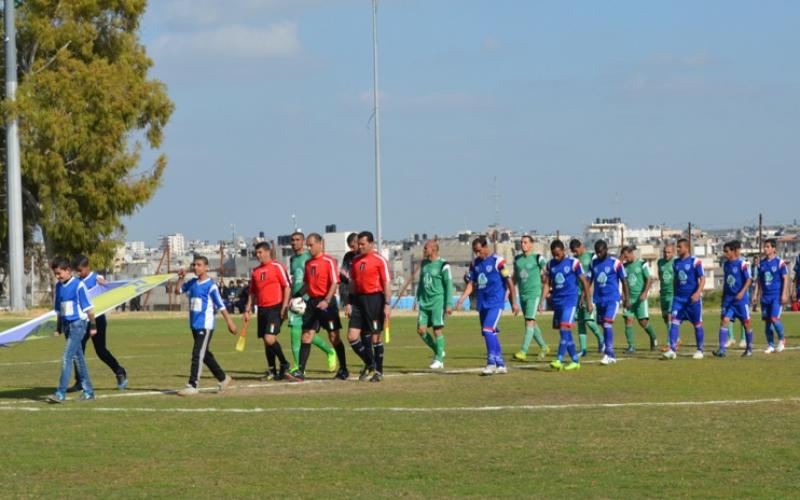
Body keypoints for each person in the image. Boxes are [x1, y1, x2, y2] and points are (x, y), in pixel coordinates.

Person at [455, 236, 519, 375]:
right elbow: (471, 284)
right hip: (482, 303)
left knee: (488, 329)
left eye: (479, 250)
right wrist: (462, 298)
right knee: (489, 333)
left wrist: (514, 302)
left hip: (496, 302)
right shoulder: (475, 264)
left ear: (485, 247)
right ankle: (500, 364)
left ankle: (491, 363)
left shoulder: (498, 261)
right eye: (475, 251)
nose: (477, 254)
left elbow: (509, 282)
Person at [174, 256, 236, 396]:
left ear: (206, 267)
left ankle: (192, 384)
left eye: (199, 265)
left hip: (205, 325)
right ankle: (223, 378)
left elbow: (221, 305)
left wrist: (230, 322)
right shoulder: (193, 283)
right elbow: (178, 291)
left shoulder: (211, 286)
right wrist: (180, 278)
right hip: (194, 325)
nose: (196, 267)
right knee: (205, 354)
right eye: (194, 265)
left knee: (197, 354)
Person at [292, 233, 349, 380]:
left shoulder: (329, 261)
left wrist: (327, 300)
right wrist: (296, 296)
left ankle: (343, 368)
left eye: (311, 245)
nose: (309, 248)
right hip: (311, 303)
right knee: (306, 335)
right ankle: (300, 371)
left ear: (320, 244)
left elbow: (335, 282)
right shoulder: (308, 263)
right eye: (308, 245)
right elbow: (307, 285)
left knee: (333, 337)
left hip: (327, 304)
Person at [67, 255, 128, 392]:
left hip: (97, 320)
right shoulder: (77, 281)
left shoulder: (96, 279)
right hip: (82, 321)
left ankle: (119, 371)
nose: (78, 273)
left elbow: (106, 286)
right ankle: (79, 382)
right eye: (76, 271)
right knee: (78, 350)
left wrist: (102, 282)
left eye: (80, 270)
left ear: (87, 268)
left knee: (101, 351)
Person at [47, 258, 98, 403]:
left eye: (59, 273)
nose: (57, 276)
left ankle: (60, 393)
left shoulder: (78, 285)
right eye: (55, 274)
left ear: (68, 270)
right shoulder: (59, 286)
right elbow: (59, 310)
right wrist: (59, 328)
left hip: (78, 325)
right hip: (67, 326)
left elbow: (90, 310)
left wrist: (93, 327)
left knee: (66, 357)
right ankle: (89, 392)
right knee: (78, 359)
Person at [345, 231, 392, 382]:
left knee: (375, 338)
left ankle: (379, 371)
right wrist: (349, 302)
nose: (360, 246)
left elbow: (386, 283)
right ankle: (369, 362)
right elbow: (352, 283)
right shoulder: (356, 260)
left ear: (371, 244)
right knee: (352, 336)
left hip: (375, 300)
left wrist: (387, 304)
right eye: (358, 244)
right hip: (358, 301)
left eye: (363, 244)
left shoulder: (380, 260)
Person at [288, 231, 336, 373]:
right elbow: (295, 280)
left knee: (306, 333)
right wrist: (291, 298)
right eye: (292, 240)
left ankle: (329, 352)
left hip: (310, 300)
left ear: (303, 242)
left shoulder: (310, 256)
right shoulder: (292, 260)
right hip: (297, 300)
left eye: (297, 240)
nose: (294, 242)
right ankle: (299, 367)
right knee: (297, 333)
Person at [243, 242, 294, 380]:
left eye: (260, 252)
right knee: (267, 341)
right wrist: (247, 309)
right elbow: (252, 292)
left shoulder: (277, 267)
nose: (258, 255)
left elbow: (287, 287)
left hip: (276, 307)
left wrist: (284, 306)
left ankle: (284, 363)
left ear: (268, 252)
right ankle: (272, 370)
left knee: (269, 338)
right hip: (262, 309)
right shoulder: (256, 271)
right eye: (256, 253)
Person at [542, 239, 592, 371]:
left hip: (570, 301)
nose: (556, 257)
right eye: (553, 254)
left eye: (558, 254)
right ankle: (575, 360)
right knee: (565, 333)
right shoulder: (550, 264)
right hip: (557, 302)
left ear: (563, 251)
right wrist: (542, 301)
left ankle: (559, 359)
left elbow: (585, 281)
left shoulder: (573, 263)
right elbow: (547, 283)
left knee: (564, 329)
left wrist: (588, 301)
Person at [662, 238, 705, 360]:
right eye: (677, 247)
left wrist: (697, 293)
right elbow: (676, 280)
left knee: (697, 324)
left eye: (680, 247)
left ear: (687, 248)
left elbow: (702, 279)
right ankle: (672, 350)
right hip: (679, 299)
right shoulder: (675, 263)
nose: (678, 249)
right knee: (674, 322)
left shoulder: (695, 261)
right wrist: (675, 294)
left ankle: (700, 350)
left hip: (692, 300)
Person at [413, 240, 453, 369]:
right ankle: (438, 350)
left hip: (437, 303)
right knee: (421, 330)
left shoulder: (443, 265)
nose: (423, 250)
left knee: (437, 331)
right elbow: (420, 283)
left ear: (434, 249)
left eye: (426, 248)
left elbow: (449, 285)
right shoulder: (424, 264)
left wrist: (448, 304)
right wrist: (416, 299)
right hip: (424, 303)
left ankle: (439, 360)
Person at [589, 240, 629, 365]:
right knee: (603, 324)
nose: (599, 254)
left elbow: (624, 281)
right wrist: (584, 297)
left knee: (607, 323)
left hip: (612, 299)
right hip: (598, 300)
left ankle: (609, 354)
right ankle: (609, 352)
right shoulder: (593, 263)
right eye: (597, 252)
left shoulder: (615, 263)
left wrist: (626, 298)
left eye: (601, 252)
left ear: (606, 250)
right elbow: (589, 281)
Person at [713, 241, 753, 358]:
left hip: (740, 300)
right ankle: (722, 350)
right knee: (724, 321)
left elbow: (749, 280)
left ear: (734, 251)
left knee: (746, 324)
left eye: (727, 251)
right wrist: (723, 297)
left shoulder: (742, 264)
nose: (724, 254)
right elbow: (726, 282)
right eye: (724, 251)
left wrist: (741, 292)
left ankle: (749, 348)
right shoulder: (726, 265)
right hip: (728, 300)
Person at [512, 235, 549, 361]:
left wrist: (547, 286)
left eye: (525, 242)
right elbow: (514, 278)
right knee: (530, 322)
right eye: (521, 242)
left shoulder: (538, 258)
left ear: (531, 244)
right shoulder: (517, 259)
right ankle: (544, 346)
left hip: (534, 294)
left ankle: (523, 351)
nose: (523, 244)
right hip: (522, 295)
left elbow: (547, 272)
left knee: (529, 321)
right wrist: (509, 292)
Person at [753, 238, 789, 353]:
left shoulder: (780, 263)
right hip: (765, 297)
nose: (765, 248)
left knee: (774, 318)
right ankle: (770, 345)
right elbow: (759, 280)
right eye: (764, 246)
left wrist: (784, 294)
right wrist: (755, 294)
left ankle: (782, 340)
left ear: (773, 249)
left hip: (776, 296)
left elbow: (786, 279)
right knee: (767, 321)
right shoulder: (761, 264)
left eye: (768, 247)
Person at [569, 239, 604, 356]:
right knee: (580, 322)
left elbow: (595, 273)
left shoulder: (591, 256)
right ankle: (583, 349)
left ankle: (601, 339)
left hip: (589, 292)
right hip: (577, 293)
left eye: (576, 251)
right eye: (573, 252)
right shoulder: (574, 260)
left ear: (581, 246)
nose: (575, 253)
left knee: (589, 320)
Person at [620, 246, 658, 352]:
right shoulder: (624, 266)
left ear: (631, 253)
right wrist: (623, 296)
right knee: (628, 320)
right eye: (624, 257)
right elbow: (624, 283)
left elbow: (649, 279)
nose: (625, 258)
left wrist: (645, 293)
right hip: (629, 299)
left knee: (643, 322)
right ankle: (631, 346)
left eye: (626, 256)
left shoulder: (642, 263)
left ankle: (653, 337)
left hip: (640, 298)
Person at [657, 244, 679, 351]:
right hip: (663, 294)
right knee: (666, 319)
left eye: (669, 252)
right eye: (665, 252)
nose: (666, 254)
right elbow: (660, 276)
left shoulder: (676, 262)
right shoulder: (660, 262)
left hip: (673, 294)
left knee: (670, 317)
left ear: (673, 253)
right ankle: (677, 338)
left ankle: (670, 343)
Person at [339, 232, 359, 308]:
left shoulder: (364, 256)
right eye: (349, 247)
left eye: (353, 246)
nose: (351, 249)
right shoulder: (348, 256)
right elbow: (343, 272)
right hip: (351, 292)